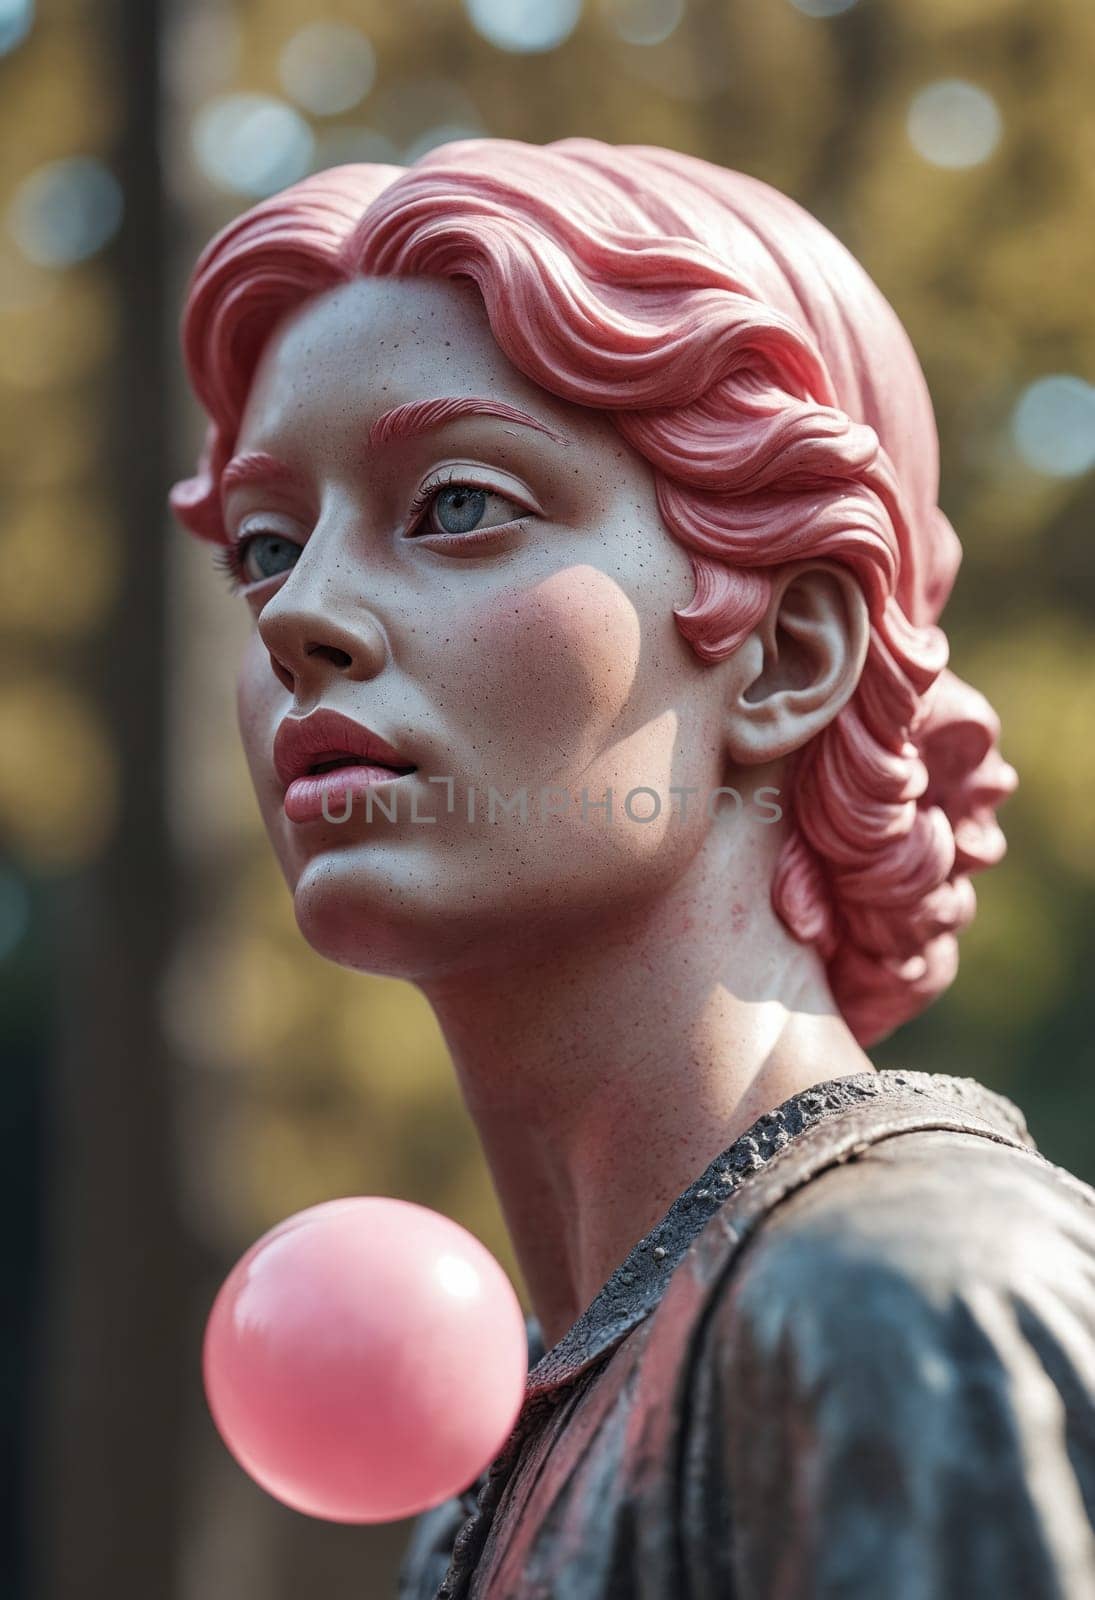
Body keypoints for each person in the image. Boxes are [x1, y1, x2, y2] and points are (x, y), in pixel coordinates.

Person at [168, 138, 1095, 1596]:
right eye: (268, 547)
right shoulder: (519, 1440)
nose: (304, 617)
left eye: (459, 504)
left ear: (786, 653)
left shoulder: (908, 1301)